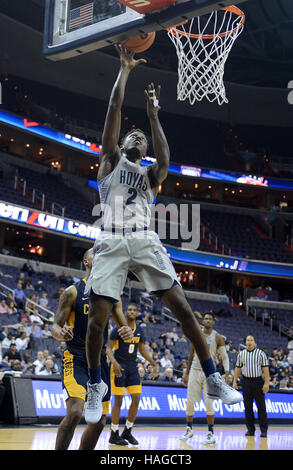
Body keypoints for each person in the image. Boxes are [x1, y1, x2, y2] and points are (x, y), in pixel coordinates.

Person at [83, 44, 242, 425]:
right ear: (121, 145)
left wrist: (154, 116)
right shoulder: (109, 162)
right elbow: (114, 110)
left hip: (143, 238)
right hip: (109, 240)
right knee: (97, 321)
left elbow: (166, 159)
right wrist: (124, 70)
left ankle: (215, 378)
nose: (137, 138)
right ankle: (94, 386)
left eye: (142, 138)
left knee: (184, 308)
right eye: (132, 135)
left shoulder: (151, 174)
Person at [51, 248, 133, 450]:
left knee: (99, 423)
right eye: (96, 255)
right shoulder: (72, 292)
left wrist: (126, 333)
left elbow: (123, 325)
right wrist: (61, 332)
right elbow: (54, 326)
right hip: (75, 357)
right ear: (86, 262)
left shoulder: (112, 294)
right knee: (75, 412)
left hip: (98, 361)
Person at [107, 303, 159, 446]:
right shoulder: (118, 329)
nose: (131, 311)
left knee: (136, 399)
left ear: (137, 313)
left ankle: (127, 431)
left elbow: (142, 350)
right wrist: (114, 363)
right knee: (118, 401)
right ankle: (113, 433)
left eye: (134, 310)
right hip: (119, 365)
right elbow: (108, 348)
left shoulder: (140, 330)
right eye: (129, 309)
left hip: (132, 366)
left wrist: (154, 364)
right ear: (125, 312)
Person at [180, 311, 231, 445]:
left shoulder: (217, 337)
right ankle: (188, 428)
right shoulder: (197, 333)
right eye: (205, 318)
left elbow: (225, 357)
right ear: (203, 321)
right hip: (195, 371)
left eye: (210, 319)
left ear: (213, 322)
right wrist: (186, 373)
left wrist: (227, 372)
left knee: (209, 403)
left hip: (210, 372)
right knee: (190, 402)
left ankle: (210, 433)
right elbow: (191, 354)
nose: (207, 321)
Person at [233, 335, 270, 438]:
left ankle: (264, 431)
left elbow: (265, 369)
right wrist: (234, 381)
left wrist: (266, 383)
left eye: (251, 340)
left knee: (261, 407)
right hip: (246, 382)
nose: (249, 342)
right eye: (248, 340)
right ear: (245, 343)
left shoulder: (260, 353)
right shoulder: (241, 354)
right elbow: (238, 368)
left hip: (258, 382)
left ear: (254, 342)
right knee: (248, 407)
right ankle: (250, 429)